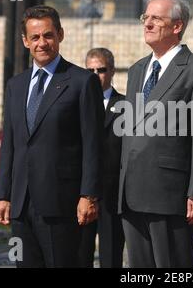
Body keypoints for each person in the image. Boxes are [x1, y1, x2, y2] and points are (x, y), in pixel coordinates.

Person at [0, 5, 105, 268]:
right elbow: (10, 143)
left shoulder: (81, 82)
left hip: (62, 204)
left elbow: (93, 144)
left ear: (60, 35)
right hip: (21, 205)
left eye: (48, 35)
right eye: (35, 37)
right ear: (25, 41)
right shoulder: (16, 86)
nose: (42, 43)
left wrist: (88, 195)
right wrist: (3, 195)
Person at [118, 0, 193, 268]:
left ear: (177, 26)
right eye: (145, 17)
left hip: (170, 194)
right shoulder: (137, 70)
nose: (147, 24)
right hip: (131, 193)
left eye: (156, 18)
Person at [78, 48, 125, 268]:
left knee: (111, 255)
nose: (96, 75)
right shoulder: (74, 103)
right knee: (79, 255)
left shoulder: (128, 106)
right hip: (81, 193)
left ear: (112, 71)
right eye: (90, 70)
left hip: (113, 194)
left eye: (101, 69)